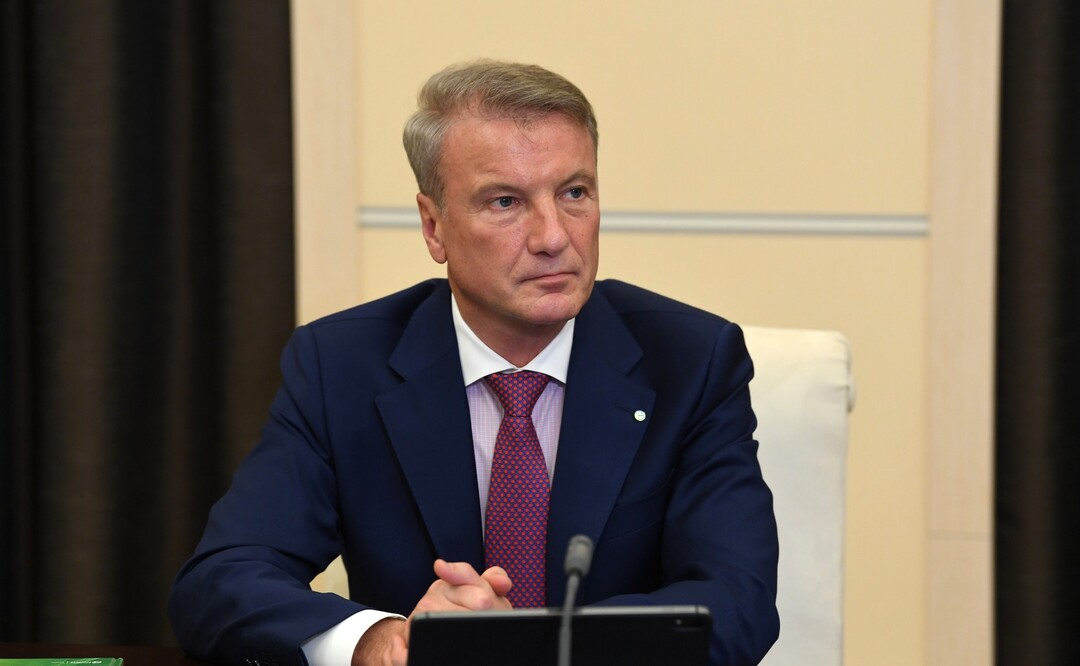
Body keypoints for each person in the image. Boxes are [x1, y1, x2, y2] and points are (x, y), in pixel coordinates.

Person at [168, 60, 779, 666]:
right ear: (434, 226)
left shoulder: (692, 362)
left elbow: (737, 602)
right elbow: (222, 581)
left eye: (574, 193)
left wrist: (527, 651)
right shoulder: (342, 366)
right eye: (505, 201)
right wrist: (383, 642)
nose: (553, 236)